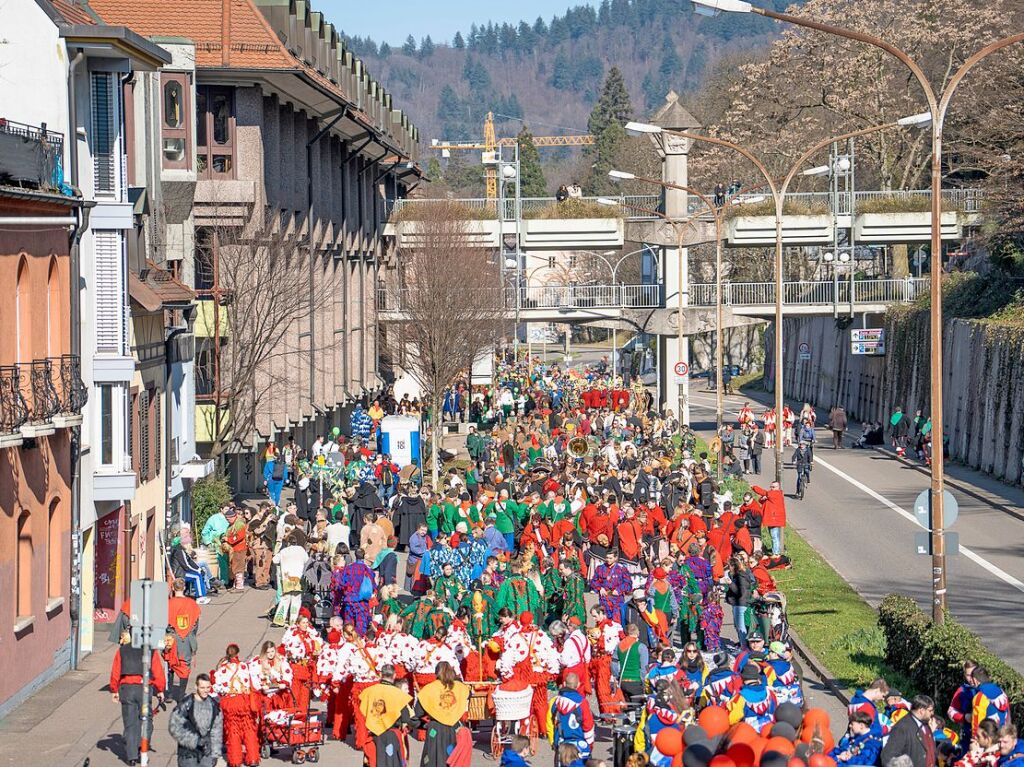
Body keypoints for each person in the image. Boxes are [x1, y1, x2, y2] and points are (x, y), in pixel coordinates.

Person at [110, 629, 167, 766]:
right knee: (146, 720)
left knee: (130, 723)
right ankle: (143, 747)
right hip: (144, 689)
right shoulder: (151, 651)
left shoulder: (122, 651)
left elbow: (115, 671)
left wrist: (114, 689)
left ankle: (131, 757)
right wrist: (160, 689)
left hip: (127, 689)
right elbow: (157, 671)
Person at [211, 643, 260, 767]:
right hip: (244, 702)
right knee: (249, 730)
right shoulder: (244, 666)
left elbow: (217, 687)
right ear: (237, 654)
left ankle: (235, 761)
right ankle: (253, 758)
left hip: (230, 703)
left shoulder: (222, 669)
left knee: (233, 732)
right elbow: (254, 684)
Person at [416, 660, 469, 767]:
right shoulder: (460, 687)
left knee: (432, 758)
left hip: (434, 729)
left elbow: (418, 712)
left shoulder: (429, 689)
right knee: (452, 758)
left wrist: (424, 724)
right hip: (455, 728)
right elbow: (468, 697)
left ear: (436, 674)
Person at [169, 673, 223, 767]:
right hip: (188, 755)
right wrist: (194, 741)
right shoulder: (186, 704)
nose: (205, 691)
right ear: (196, 687)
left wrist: (216, 753)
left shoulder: (213, 704)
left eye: (208, 688)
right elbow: (174, 726)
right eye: (202, 688)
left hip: (206, 754)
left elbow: (217, 729)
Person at [548, 672, 596, 760]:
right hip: (579, 745)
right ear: (578, 685)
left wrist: (553, 743)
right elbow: (588, 726)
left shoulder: (555, 702)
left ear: (564, 684)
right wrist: (589, 745)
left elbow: (550, 724)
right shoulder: (582, 702)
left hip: (562, 744)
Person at [881, 694, 938, 767]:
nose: (932, 713)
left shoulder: (926, 726)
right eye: (930, 711)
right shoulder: (902, 727)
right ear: (921, 710)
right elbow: (887, 757)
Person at [751, 481, 786, 555]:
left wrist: (754, 487)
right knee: (774, 536)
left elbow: (763, 492)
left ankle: (776, 553)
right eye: (771, 487)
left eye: (774, 487)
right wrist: (764, 498)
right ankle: (776, 551)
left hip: (774, 519)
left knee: (774, 536)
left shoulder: (776, 494)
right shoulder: (772, 494)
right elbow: (761, 500)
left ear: (778, 487)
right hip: (772, 519)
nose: (772, 488)